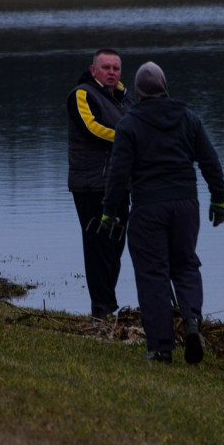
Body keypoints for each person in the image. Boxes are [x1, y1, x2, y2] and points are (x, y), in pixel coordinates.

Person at [100, 61, 224, 364]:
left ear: (140, 91)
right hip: (186, 204)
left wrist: (108, 210)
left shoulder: (129, 124)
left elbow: (118, 173)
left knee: (152, 274)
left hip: (148, 207)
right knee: (185, 266)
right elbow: (210, 160)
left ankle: (161, 348)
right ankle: (192, 322)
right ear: (165, 87)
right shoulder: (188, 118)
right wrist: (218, 198)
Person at [66, 49, 134, 319]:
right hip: (91, 185)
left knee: (116, 246)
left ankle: (107, 307)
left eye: (116, 68)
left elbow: (142, 127)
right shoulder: (81, 94)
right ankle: (101, 310)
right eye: (105, 67)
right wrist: (127, 137)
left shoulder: (125, 99)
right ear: (93, 70)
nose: (111, 72)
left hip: (121, 185)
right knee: (97, 246)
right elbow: (90, 128)